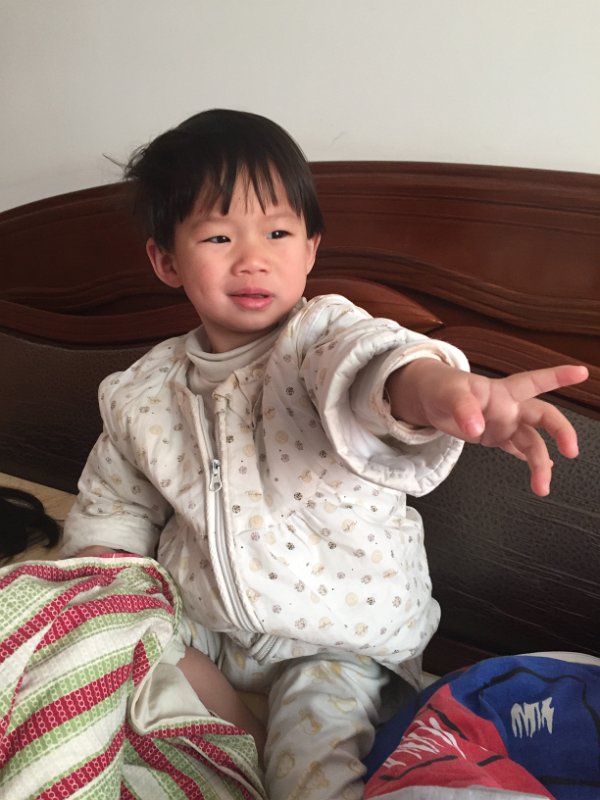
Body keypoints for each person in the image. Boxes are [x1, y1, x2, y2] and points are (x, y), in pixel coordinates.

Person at [61, 108, 588, 800]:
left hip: (335, 640)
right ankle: (235, 744)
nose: (252, 258)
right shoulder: (141, 392)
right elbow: (115, 507)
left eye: (277, 233)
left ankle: (268, 756)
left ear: (310, 250)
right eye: (218, 236)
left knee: (308, 769)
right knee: (99, 638)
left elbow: (376, 369)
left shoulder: (318, 337)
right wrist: (101, 583)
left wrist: (443, 393)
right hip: (207, 625)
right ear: (166, 260)